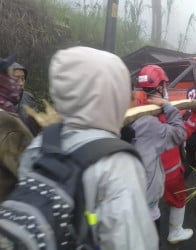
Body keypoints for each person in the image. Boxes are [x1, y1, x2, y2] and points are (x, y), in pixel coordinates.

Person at [17, 46, 158, 250]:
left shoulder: (40, 144)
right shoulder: (116, 162)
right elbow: (132, 242)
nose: (134, 99)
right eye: (124, 90)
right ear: (108, 95)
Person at [121, 65, 187, 239]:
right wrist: (169, 108)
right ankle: (176, 231)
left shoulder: (134, 111)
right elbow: (181, 133)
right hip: (168, 170)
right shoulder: (148, 120)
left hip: (131, 194)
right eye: (165, 84)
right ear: (160, 87)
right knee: (178, 198)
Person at [0, 55, 33, 202]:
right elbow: (28, 171)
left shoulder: (27, 100)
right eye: (12, 78)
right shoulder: (9, 124)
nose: (18, 84)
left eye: (22, 79)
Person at [11, 62, 41, 135]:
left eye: (23, 78)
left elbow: (37, 128)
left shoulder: (28, 97)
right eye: (16, 79)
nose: (21, 83)